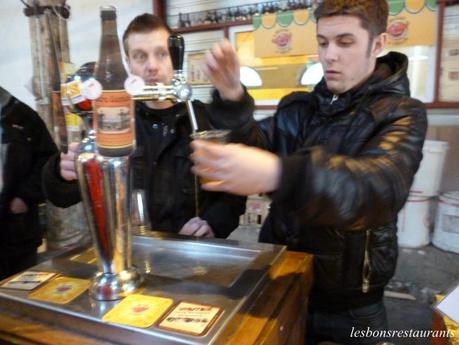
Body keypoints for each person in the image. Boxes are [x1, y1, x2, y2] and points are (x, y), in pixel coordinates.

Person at [191, 1, 428, 344]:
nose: (329, 55)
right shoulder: (299, 108)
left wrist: (283, 174)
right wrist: (231, 95)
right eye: (323, 42)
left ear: (377, 44)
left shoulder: (401, 114)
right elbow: (256, 144)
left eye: (345, 42)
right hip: (281, 277)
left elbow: (376, 187)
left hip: (350, 305)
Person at [42, 13, 252, 238]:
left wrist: (213, 223)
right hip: (131, 250)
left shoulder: (202, 118)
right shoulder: (112, 121)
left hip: (195, 251)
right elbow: (62, 197)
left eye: (161, 54)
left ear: (175, 59)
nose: (152, 66)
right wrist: (62, 173)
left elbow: (236, 187)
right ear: (128, 63)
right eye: (140, 56)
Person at [0, 86, 58, 280]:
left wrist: (25, 196)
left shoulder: (22, 116)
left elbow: (47, 159)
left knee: (16, 291)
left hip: (15, 228)